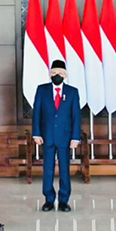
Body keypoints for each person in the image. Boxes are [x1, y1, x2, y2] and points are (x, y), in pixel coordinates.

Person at [32, 60, 81, 212]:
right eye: (53, 73)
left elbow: (76, 116)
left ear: (65, 75)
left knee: (65, 169)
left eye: (60, 73)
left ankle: (63, 200)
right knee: (47, 169)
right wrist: (36, 133)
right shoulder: (42, 90)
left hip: (65, 138)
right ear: (49, 74)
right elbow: (36, 113)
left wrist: (75, 137)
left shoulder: (72, 92)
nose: (56, 76)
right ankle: (48, 199)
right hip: (46, 136)